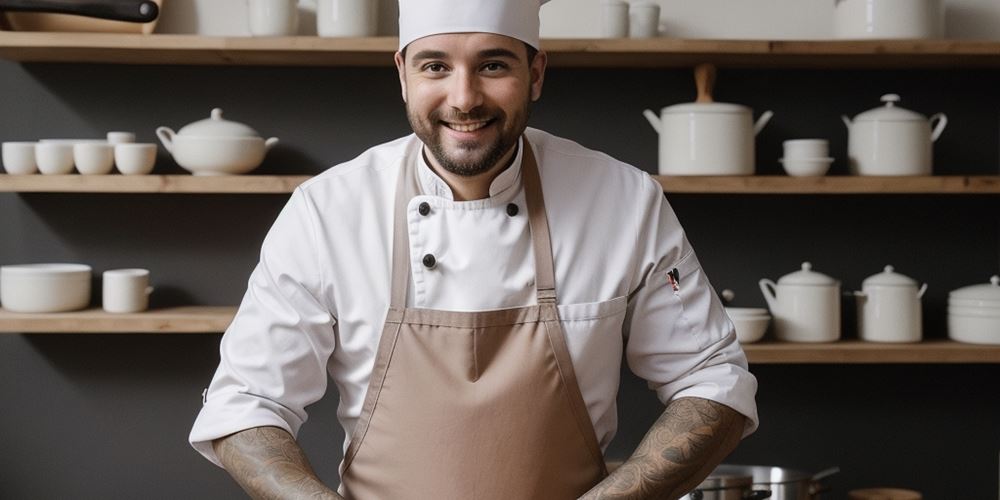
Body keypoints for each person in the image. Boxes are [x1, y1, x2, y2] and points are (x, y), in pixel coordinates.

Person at [189, 0, 758, 498]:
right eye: (435, 65)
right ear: (403, 74)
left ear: (535, 73)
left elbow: (712, 381)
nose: (464, 98)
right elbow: (247, 402)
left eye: (493, 65)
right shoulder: (326, 211)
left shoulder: (625, 201)